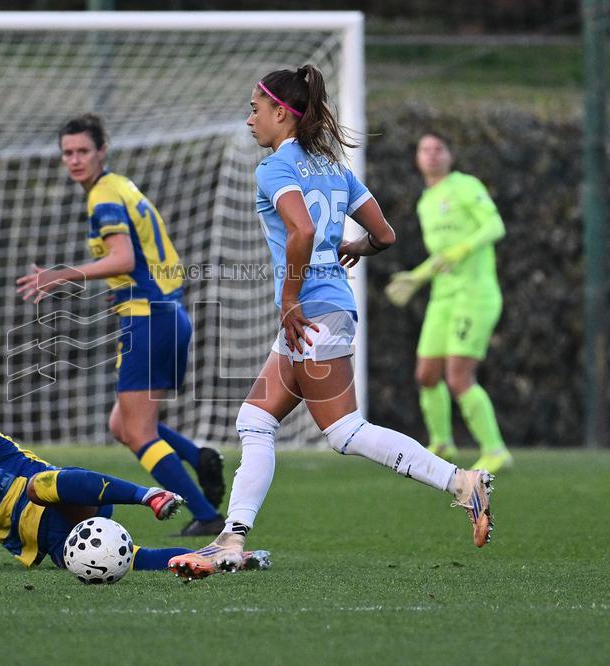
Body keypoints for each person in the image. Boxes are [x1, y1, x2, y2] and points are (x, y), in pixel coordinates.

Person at [168, 65, 494, 581]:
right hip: (327, 307)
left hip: (310, 312)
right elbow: (383, 234)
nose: (249, 119)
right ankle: (231, 537)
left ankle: (461, 482)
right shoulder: (331, 165)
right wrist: (351, 247)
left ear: (281, 113)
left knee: (343, 431)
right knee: (255, 420)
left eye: (256, 109)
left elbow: (299, 232)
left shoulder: (276, 168)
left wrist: (289, 300)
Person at [15, 113, 225, 537]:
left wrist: (61, 275)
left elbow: (125, 259)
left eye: (83, 151)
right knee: (122, 424)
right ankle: (198, 457)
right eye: (67, 153)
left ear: (102, 150)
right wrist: (124, 290)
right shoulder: (121, 186)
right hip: (165, 314)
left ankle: (206, 515)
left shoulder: (103, 198)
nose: (74, 160)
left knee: (135, 430)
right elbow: (147, 260)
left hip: (148, 321)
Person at [0, 393, 269, 578]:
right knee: (118, 559)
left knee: (36, 484)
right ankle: (220, 560)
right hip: (49, 541)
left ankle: (147, 495)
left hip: (63, 497)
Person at [384, 133, 513, 474]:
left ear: (450, 156)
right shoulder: (426, 202)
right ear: (416, 159)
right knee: (426, 374)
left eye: (439, 148)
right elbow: (440, 258)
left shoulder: (465, 185)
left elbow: (495, 225)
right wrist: (415, 278)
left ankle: (495, 450)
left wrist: (462, 250)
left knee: (458, 376)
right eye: (424, 149)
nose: (431, 155)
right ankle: (442, 442)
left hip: (475, 295)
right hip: (442, 298)